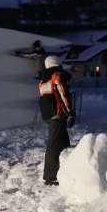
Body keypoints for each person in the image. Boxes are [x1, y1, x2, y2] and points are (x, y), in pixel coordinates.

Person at [38, 55, 74, 186]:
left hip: (49, 115)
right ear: (57, 63)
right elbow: (63, 95)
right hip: (58, 114)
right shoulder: (57, 76)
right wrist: (70, 113)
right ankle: (50, 177)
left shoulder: (42, 80)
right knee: (54, 145)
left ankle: (64, 172)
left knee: (63, 143)